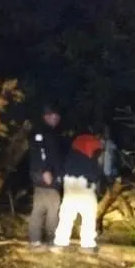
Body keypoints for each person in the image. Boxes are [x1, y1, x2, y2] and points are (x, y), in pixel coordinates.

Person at [53, 132, 104, 253]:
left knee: (66, 216)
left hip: (69, 186)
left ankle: (60, 242)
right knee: (88, 216)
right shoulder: (90, 159)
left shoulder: (70, 156)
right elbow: (95, 175)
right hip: (85, 188)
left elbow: (62, 170)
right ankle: (87, 244)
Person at [27, 104, 64, 249]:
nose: (56, 119)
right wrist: (45, 171)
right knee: (51, 208)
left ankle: (37, 240)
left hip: (47, 177)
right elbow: (39, 152)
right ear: (46, 116)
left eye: (57, 117)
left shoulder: (52, 133)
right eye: (53, 116)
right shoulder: (41, 132)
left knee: (41, 207)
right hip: (46, 177)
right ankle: (49, 240)